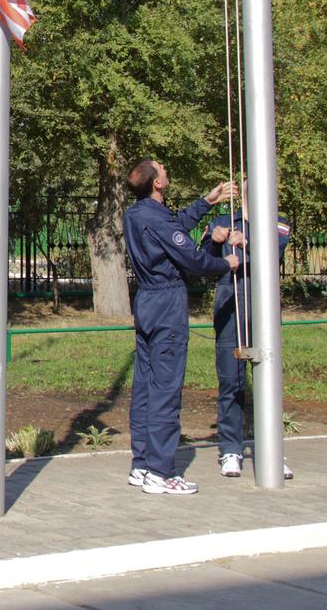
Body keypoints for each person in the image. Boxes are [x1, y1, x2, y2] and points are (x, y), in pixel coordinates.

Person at [122, 159, 239, 496]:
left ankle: (142, 465)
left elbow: (173, 228)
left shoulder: (137, 214)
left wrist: (207, 202)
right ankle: (162, 471)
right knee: (165, 389)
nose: (166, 170)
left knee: (145, 387)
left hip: (146, 302)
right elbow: (191, 258)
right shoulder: (156, 218)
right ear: (157, 183)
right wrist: (225, 263)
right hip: (167, 303)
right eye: (162, 168)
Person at [201, 185, 292, 479]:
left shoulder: (278, 224)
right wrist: (215, 244)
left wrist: (249, 242)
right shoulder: (223, 222)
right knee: (232, 379)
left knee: (267, 379)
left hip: (262, 306)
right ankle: (231, 449)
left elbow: (275, 250)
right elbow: (202, 263)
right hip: (232, 306)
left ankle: (272, 453)